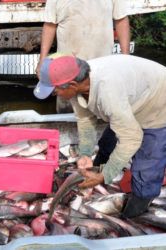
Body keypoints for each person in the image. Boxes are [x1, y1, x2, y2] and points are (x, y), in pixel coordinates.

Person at [34, 54, 166, 218]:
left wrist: (105, 174)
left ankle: (136, 212)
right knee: (107, 145)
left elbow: (131, 139)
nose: (57, 95)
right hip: (129, 101)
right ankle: (96, 176)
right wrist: (85, 153)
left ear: (73, 85)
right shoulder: (77, 79)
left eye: (56, 92)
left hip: (158, 105)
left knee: (145, 171)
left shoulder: (108, 93)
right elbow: (85, 118)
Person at [36, 0, 130, 113]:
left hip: (101, 66)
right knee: (67, 113)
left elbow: (121, 20)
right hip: (67, 69)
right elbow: (50, 25)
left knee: (106, 111)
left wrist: (126, 58)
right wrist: (42, 60)